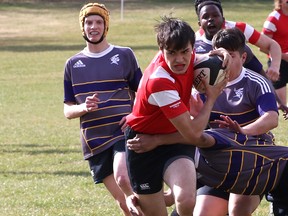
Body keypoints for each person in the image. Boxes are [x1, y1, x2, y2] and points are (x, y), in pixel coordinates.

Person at [124, 16, 231, 216]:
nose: (180, 59)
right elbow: (193, 134)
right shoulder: (159, 80)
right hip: (141, 143)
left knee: (187, 199)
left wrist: (220, 56)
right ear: (161, 50)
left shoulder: (191, 56)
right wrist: (211, 98)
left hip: (171, 138)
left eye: (185, 52)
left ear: (192, 47)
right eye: (171, 53)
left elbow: (203, 60)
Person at [63, 3, 143, 215]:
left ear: (106, 26)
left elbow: (143, 94)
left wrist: (134, 115)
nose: (94, 26)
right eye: (89, 22)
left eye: (99, 22)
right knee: (124, 203)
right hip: (94, 142)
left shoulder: (124, 55)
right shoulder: (72, 64)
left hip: (122, 132)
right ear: (83, 27)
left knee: (123, 177)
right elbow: (67, 110)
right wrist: (83, 107)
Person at [195, 27, 279, 216]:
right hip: (219, 159)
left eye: (231, 55)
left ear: (243, 58)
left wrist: (243, 131)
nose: (225, 60)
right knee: (203, 213)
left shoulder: (256, 82)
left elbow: (272, 118)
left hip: (253, 155)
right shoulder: (202, 83)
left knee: (236, 210)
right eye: (220, 54)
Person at [194, 0, 288, 118]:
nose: (210, 19)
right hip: (210, 104)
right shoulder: (195, 44)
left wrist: (274, 67)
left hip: (242, 99)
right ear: (199, 22)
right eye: (205, 16)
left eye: (215, 15)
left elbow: (269, 49)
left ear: (223, 18)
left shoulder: (239, 29)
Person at [262, 0, 288, 115]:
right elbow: (262, 47)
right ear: (281, 2)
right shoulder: (273, 19)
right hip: (278, 64)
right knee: (282, 104)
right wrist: (283, 56)